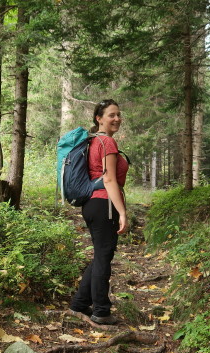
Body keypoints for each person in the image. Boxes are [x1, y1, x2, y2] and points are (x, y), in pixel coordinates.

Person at [69, 99, 129, 325]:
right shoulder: (107, 143)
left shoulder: (94, 141)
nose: (117, 119)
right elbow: (110, 179)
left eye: (118, 114)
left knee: (101, 255)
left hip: (93, 205)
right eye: (111, 115)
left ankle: (79, 303)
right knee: (104, 256)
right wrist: (122, 212)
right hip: (104, 204)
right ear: (99, 118)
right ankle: (101, 311)